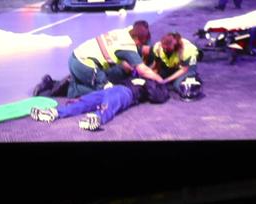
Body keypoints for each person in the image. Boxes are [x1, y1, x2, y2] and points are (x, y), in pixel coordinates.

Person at [66, 21, 166, 98]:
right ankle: (74, 90)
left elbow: (119, 58)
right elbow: (143, 70)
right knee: (109, 93)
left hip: (75, 57)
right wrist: (160, 80)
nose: (140, 46)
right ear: (137, 39)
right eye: (141, 43)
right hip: (85, 65)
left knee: (112, 74)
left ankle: (77, 82)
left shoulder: (123, 32)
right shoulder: (127, 46)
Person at [29, 77, 170, 131]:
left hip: (127, 93)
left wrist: (146, 83)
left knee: (110, 105)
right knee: (84, 101)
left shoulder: (153, 83)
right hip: (111, 88)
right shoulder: (132, 74)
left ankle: (97, 118)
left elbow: (159, 97)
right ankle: (54, 113)